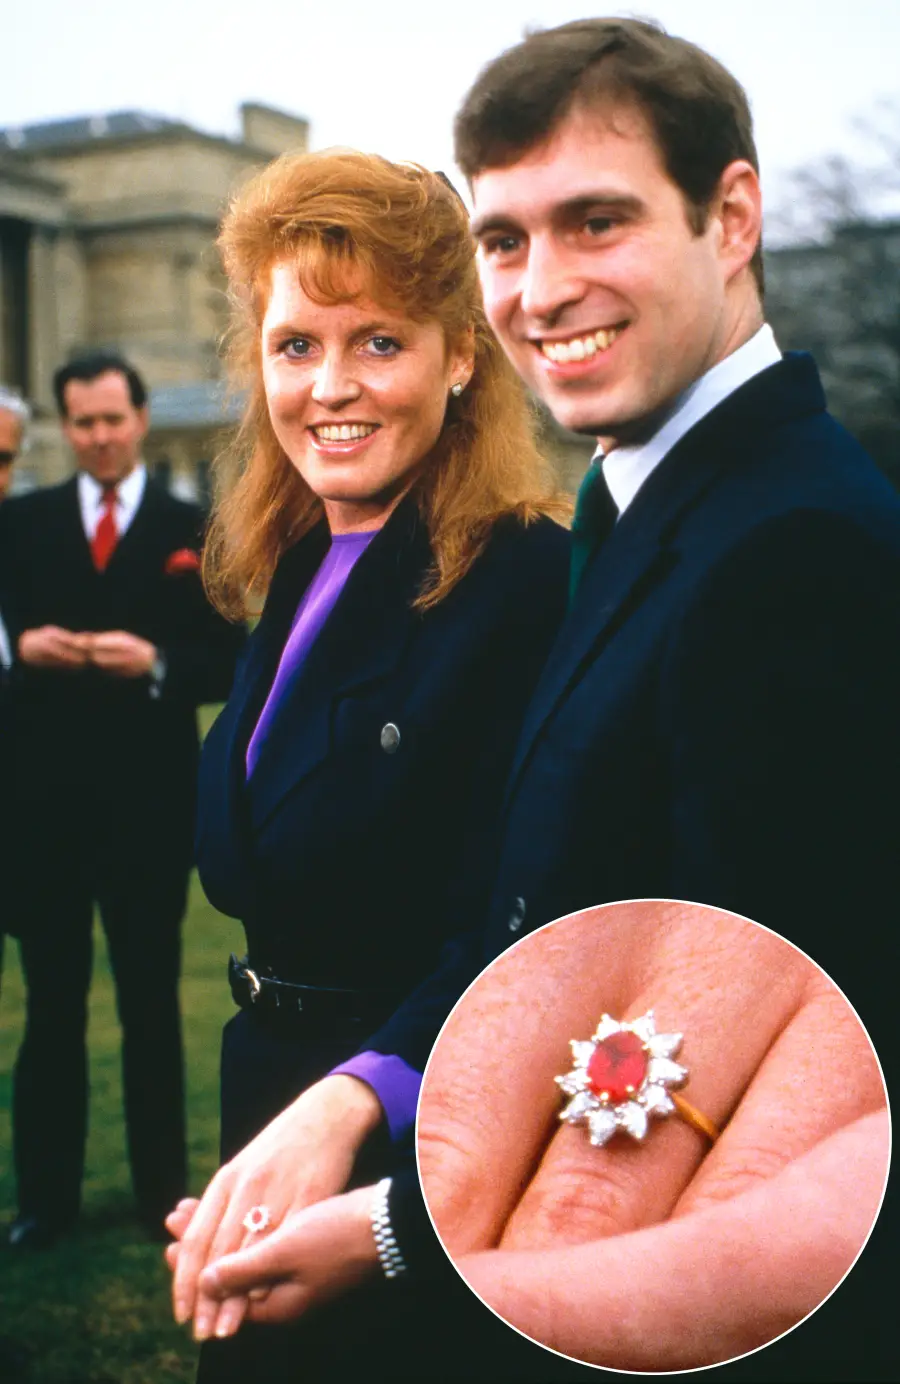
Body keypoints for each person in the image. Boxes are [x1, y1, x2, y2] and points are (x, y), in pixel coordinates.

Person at [170, 17, 900, 1380]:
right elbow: (574, 910)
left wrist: (392, 1223)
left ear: (731, 216)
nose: (542, 286)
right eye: (506, 240)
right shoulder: (645, 503)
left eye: (597, 221)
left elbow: (758, 1071)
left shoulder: (796, 548)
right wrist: (343, 1099)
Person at [170, 149, 569, 1379]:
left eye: (378, 343)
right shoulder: (297, 565)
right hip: (276, 1109)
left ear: (461, 356)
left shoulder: (523, 583)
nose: (330, 386)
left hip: (423, 1145)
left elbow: (540, 919)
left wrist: (360, 1100)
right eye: (296, 346)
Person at [1, 351, 244, 1248]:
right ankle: (46, 1203)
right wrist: (20, 652)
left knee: (150, 1006)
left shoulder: (194, 526)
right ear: (66, 429)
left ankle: (159, 1200)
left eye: (113, 420)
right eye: (83, 424)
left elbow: (235, 659)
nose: (100, 438)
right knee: (50, 1007)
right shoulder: (20, 524)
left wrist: (159, 667)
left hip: (148, 812)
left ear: (140, 419)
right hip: (42, 812)